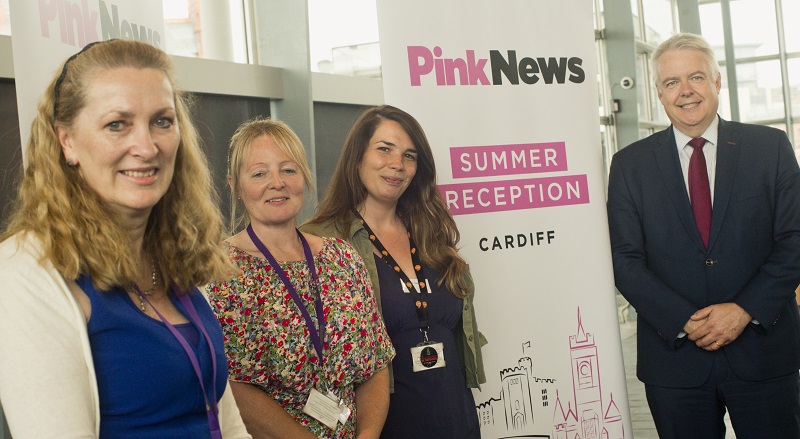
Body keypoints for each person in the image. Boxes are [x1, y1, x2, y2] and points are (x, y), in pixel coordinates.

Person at [0, 39, 250, 438]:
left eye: (162, 121)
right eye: (117, 124)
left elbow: (229, 426)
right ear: (67, 141)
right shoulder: (25, 272)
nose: (147, 146)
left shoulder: (173, 254)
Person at [607, 32, 800, 438]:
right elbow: (624, 260)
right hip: (674, 362)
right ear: (659, 94)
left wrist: (743, 310)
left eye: (696, 77)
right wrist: (685, 322)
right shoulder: (630, 165)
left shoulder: (771, 148)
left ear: (716, 82)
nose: (685, 92)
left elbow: (794, 239)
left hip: (763, 354)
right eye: (671, 82)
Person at [302, 105, 486, 439]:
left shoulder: (431, 231)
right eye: (384, 149)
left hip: (455, 413)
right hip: (381, 424)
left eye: (409, 155)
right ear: (357, 156)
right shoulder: (320, 241)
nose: (397, 165)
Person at [206, 117, 394, 439]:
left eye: (288, 169)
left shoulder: (342, 258)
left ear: (303, 177)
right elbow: (234, 388)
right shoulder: (219, 272)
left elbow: (375, 363)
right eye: (259, 173)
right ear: (235, 186)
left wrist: (367, 435)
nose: (276, 182)